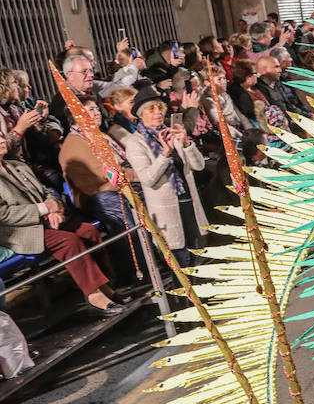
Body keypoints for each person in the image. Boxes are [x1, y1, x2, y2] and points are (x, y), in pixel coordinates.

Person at [0, 133, 122, 314]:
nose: (3, 140)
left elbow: (46, 191)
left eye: (2, 136)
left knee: (88, 231)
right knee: (69, 242)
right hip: (19, 231)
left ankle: (106, 286)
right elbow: (3, 214)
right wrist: (43, 209)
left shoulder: (18, 166)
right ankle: (94, 295)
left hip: (47, 219)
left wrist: (55, 208)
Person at [117, 90, 205, 264]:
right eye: (151, 109)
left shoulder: (171, 132)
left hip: (189, 203)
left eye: (160, 107)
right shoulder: (135, 143)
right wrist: (165, 154)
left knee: (199, 257)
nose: (158, 112)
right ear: (141, 115)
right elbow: (148, 179)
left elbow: (199, 166)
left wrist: (186, 142)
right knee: (181, 262)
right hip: (167, 211)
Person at [60, 95, 131, 236]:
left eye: (97, 109)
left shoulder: (100, 136)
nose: (98, 113)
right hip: (98, 194)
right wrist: (137, 175)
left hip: (117, 184)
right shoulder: (75, 143)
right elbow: (105, 174)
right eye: (91, 109)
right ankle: (137, 248)